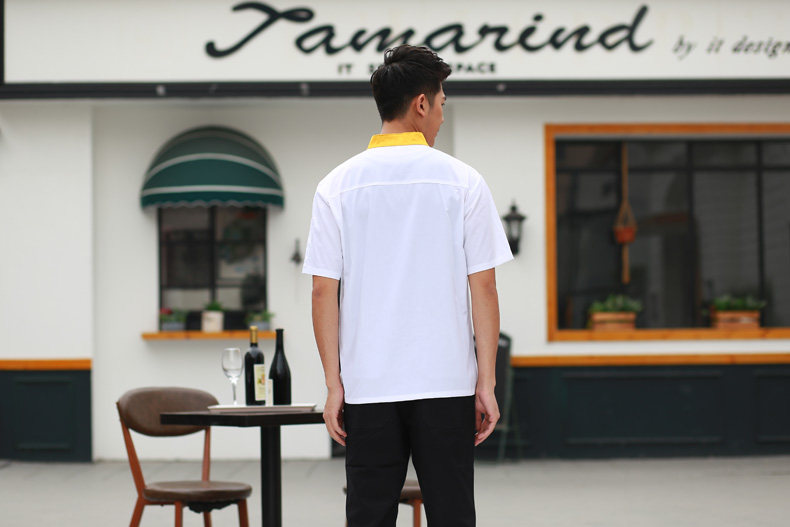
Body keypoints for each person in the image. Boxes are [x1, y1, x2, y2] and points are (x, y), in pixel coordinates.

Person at [302, 44, 513, 527]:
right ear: (421, 103)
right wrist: (485, 382)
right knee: (452, 513)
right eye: (441, 104)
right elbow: (484, 288)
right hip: (446, 383)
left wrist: (334, 385)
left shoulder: (335, 186)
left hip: (368, 384)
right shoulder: (464, 182)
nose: (441, 116)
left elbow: (322, 292)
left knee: (369, 515)